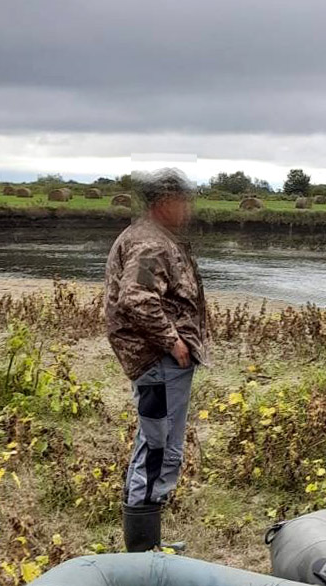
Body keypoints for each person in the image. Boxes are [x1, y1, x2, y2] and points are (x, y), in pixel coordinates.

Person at [104, 168, 208, 551]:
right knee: (158, 447)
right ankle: (143, 553)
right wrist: (173, 342)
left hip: (159, 362)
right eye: (183, 201)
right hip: (158, 362)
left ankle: (149, 544)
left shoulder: (152, 236)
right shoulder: (150, 242)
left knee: (157, 444)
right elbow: (136, 299)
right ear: (165, 202)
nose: (188, 209)